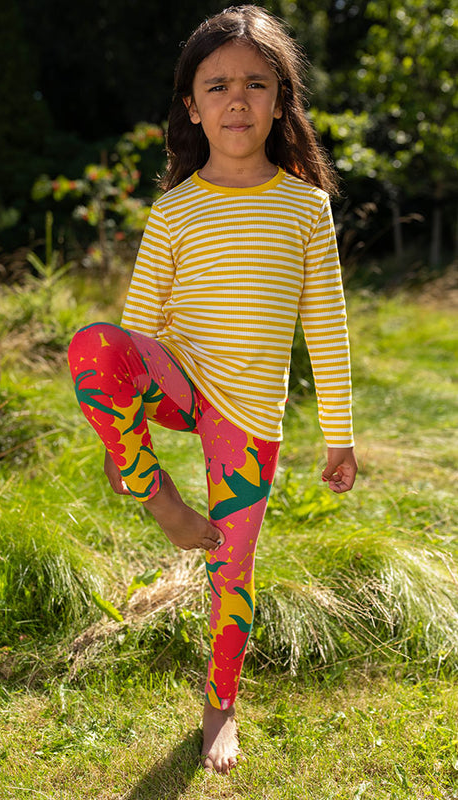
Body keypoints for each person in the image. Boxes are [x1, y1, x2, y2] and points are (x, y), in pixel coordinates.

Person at [67, 4, 357, 776]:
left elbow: (325, 328)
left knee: (233, 568)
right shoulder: (174, 208)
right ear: (191, 107)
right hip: (177, 379)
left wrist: (339, 436)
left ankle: (220, 702)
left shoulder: (304, 207)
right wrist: (121, 441)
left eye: (256, 84)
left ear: (280, 102)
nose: (236, 100)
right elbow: (134, 331)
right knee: (93, 343)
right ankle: (159, 499)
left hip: (248, 414)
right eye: (217, 85)